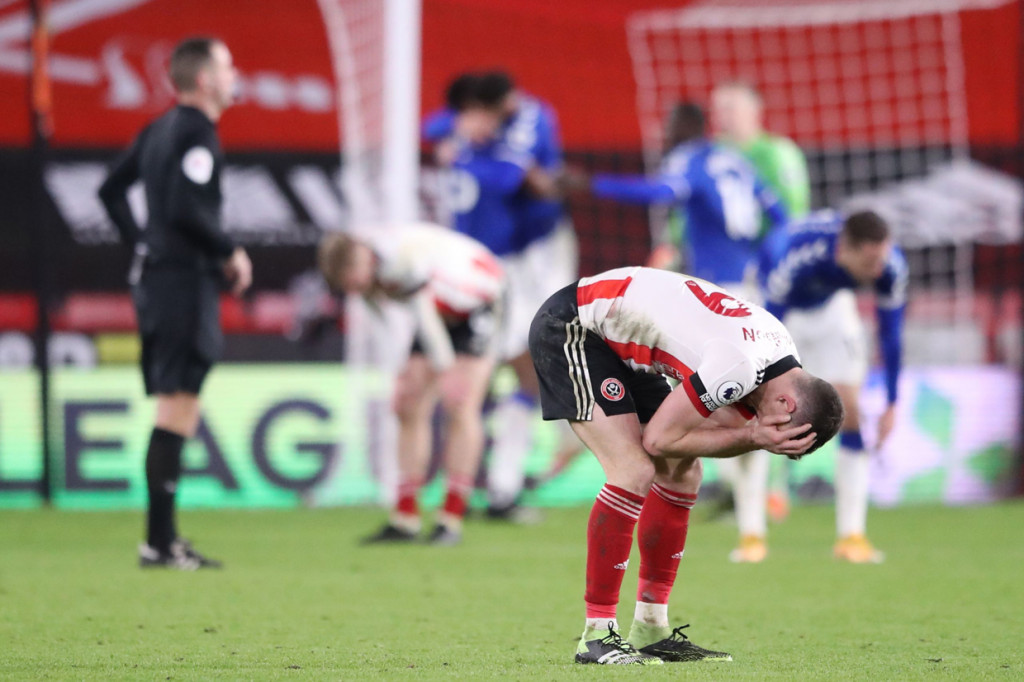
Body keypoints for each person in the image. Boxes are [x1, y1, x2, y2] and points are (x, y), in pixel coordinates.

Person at [528, 266, 844, 664]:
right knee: (633, 470)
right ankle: (597, 636)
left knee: (683, 471)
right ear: (788, 405)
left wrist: (751, 435)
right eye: (780, 435)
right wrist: (752, 438)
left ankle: (650, 628)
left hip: (622, 338)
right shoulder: (741, 367)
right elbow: (659, 440)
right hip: (575, 326)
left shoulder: (781, 356)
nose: (769, 438)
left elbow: (711, 428)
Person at [98, 37, 249, 570]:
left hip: (163, 280)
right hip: (182, 282)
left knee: (179, 403)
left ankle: (161, 540)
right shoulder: (195, 131)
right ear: (205, 79)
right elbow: (187, 209)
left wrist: (141, 242)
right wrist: (229, 250)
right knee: (178, 405)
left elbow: (110, 190)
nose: (235, 76)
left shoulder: (159, 127)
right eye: (228, 67)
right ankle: (159, 544)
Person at [426, 71, 578, 520]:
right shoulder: (493, 161)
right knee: (516, 374)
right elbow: (526, 180)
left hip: (488, 267)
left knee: (503, 377)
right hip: (496, 274)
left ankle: (488, 485)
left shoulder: (470, 150)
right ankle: (495, 488)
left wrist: (458, 142)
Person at [317, 223, 506, 546]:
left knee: (459, 403)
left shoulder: (399, 259)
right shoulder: (366, 273)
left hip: (479, 300)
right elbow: (385, 317)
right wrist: (399, 370)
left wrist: (446, 370)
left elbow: (423, 313)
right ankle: (406, 517)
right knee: (406, 403)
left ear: (359, 261)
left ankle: (451, 518)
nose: (354, 289)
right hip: (437, 312)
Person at [760, 209, 907, 564]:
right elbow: (765, 325)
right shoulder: (797, 257)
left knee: (850, 412)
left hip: (831, 309)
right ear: (846, 250)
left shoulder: (890, 267)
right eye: (870, 261)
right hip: (777, 310)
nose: (878, 270)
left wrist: (891, 401)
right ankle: (754, 526)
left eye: (882, 258)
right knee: (769, 407)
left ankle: (852, 536)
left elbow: (891, 334)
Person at [711, 80, 813, 559]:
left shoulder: (777, 155)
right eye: (719, 108)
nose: (725, 116)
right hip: (715, 291)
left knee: (770, 391)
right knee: (717, 396)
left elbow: (791, 221)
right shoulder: (710, 156)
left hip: (764, 292)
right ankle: (744, 494)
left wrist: (771, 273)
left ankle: (777, 486)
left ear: (757, 109)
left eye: (733, 105)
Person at [588, 102, 787, 290]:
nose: (667, 132)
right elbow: (778, 211)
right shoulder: (735, 159)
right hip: (752, 277)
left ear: (684, 127)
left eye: (671, 124)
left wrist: (595, 184)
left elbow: (661, 192)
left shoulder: (689, 158)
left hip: (715, 282)